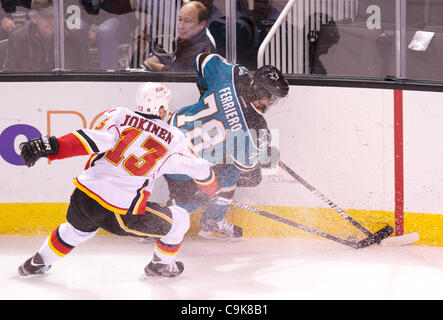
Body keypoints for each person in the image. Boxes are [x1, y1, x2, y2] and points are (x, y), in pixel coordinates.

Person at [17, 82, 218, 278]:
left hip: (84, 196)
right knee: (179, 219)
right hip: (121, 211)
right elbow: (200, 169)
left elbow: (93, 139)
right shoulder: (173, 138)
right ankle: (161, 265)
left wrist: (55, 145)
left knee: (76, 231)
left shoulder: (119, 114)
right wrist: (211, 189)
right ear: (162, 108)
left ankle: (38, 262)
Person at [165, 53, 289, 240]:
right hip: (183, 169)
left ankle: (196, 217)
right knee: (220, 180)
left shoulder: (233, 76)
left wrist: (207, 93)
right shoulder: (255, 128)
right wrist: (264, 153)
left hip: (166, 136)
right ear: (263, 96)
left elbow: (202, 59)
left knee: (222, 170)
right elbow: (248, 168)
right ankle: (165, 220)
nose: (274, 103)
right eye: (274, 99)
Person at [3, 0, 89, 71]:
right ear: (34, 18)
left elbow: (85, 72)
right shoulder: (17, 37)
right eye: (46, 17)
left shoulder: (78, 35)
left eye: (56, 15)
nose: (53, 21)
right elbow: (11, 74)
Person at [142, 1, 215, 72]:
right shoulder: (186, 43)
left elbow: (185, 77)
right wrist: (165, 57)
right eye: (180, 19)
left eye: (187, 21)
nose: (181, 26)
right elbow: (179, 66)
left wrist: (158, 66)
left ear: (201, 24)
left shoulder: (204, 51)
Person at [80, 0, 138, 70]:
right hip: (86, 17)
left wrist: (95, 27)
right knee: (75, 27)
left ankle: (108, 74)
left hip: (117, 16)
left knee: (105, 30)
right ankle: (78, 74)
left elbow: (114, 8)